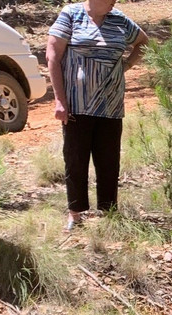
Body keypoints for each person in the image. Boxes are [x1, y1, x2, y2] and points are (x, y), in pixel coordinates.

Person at [47, 0, 149, 232]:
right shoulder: (71, 14)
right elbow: (52, 56)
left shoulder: (120, 19)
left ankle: (108, 211)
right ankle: (76, 213)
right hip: (77, 105)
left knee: (109, 160)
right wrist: (60, 100)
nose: (114, 1)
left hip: (111, 105)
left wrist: (125, 66)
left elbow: (143, 43)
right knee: (76, 159)